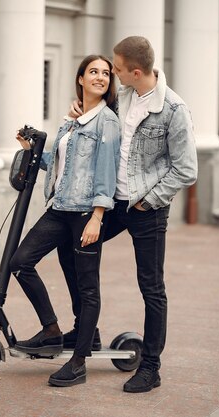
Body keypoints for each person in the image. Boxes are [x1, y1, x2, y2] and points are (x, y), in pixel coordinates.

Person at [63, 36, 198, 393]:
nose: (112, 74)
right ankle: (85, 330)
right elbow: (95, 116)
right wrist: (80, 110)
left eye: (117, 69)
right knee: (70, 245)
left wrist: (147, 200)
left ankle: (151, 367)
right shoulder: (123, 96)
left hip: (146, 209)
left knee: (151, 287)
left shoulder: (173, 109)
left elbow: (186, 169)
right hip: (111, 205)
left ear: (135, 72)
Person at [9, 55, 121, 387]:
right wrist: (30, 149)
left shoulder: (107, 122)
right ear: (81, 79)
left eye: (105, 73)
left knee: (87, 286)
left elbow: (106, 171)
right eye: (94, 72)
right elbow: (59, 163)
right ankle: (52, 330)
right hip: (60, 208)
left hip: (87, 212)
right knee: (19, 262)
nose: (100, 77)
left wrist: (97, 218)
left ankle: (79, 361)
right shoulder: (72, 120)